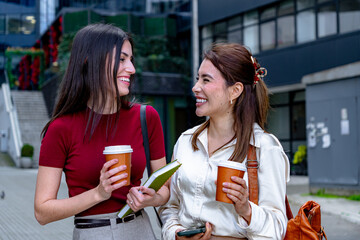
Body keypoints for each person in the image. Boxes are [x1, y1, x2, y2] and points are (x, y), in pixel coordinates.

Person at [34, 23, 169, 240]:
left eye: (131, 60)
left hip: (139, 229)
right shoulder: (61, 129)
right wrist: (98, 193)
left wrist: (150, 198)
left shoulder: (146, 117)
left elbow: (165, 191)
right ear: (90, 61)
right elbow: (42, 212)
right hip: (91, 233)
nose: (131, 69)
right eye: (122, 59)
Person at [159, 43, 290, 240]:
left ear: (235, 91)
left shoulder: (264, 147)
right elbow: (170, 206)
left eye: (206, 80)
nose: (196, 88)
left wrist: (246, 210)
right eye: (197, 79)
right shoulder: (186, 142)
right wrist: (175, 233)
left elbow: (278, 228)